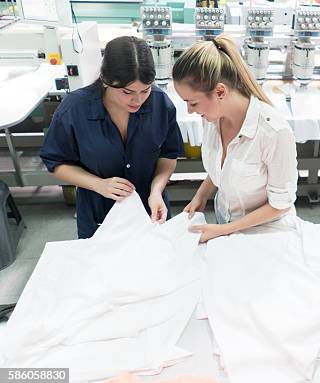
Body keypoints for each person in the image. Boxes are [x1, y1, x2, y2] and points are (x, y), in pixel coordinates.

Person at [40, 36, 184, 238]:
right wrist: (98, 184)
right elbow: (57, 162)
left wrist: (157, 190)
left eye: (145, 90)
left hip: (150, 208)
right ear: (106, 81)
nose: (138, 100)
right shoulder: (75, 109)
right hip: (99, 212)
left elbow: (168, 155)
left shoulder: (160, 103)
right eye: (127, 92)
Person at [172, 34, 298, 242]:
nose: (189, 110)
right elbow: (224, 165)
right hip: (227, 227)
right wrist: (201, 195)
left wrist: (225, 230)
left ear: (220, 91)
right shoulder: (213, 118)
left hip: (267, 234)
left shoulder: (273, 132)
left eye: (193, 103)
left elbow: (280, 204)